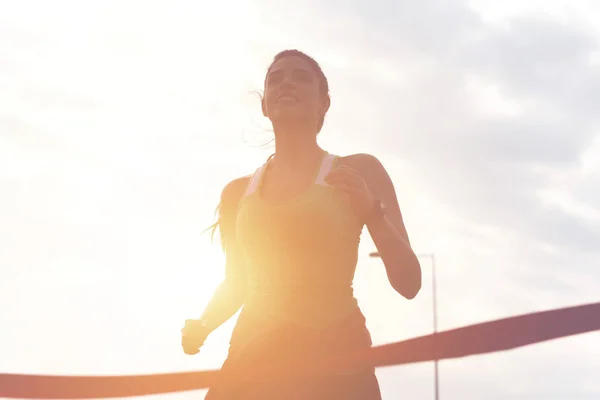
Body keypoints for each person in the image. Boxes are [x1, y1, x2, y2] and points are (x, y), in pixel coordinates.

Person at [181, 49, 422, 399]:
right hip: (253, 365)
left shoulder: (360, 171)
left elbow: (409, 283)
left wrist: (373, 212)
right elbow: (238, 283)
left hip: (336, 365)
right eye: (275, 78)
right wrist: (204, 325)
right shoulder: (237, 193)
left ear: (324, 103)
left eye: (301, 76)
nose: (287, 82)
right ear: (265, 105)